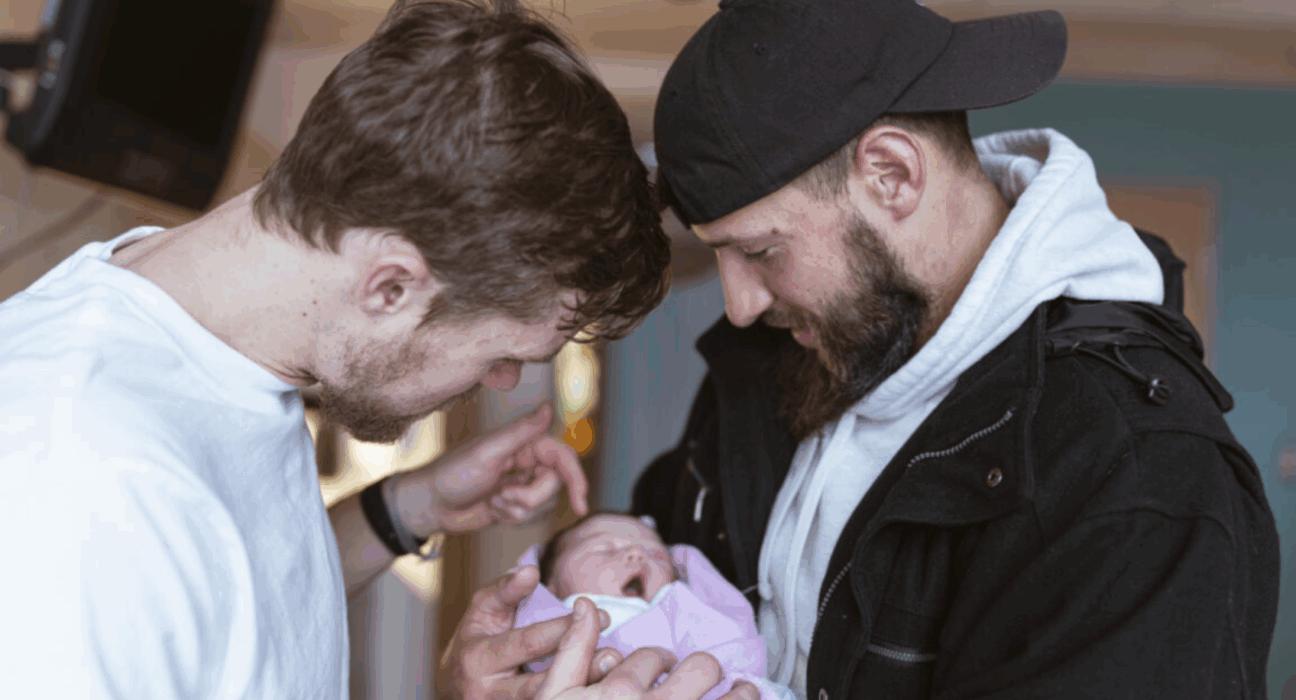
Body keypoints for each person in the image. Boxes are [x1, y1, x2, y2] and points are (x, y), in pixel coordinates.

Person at [0, 0, 720, 696]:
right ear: (390, 288)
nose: (502, 382)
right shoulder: (72, 473)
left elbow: (224, 613)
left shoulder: (219, 354)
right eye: (506, 354)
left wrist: (407, 508)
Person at [627, 0, 1280, 698]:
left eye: (760, 250)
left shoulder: (1134, 470)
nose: (739, 304)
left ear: (892, 175)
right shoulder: (789, 352)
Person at [512, 512, 794, 699]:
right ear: (551, 584)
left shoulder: (681, 603)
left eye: (655, 552)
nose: (636, 553)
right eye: (604, 549)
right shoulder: (556, 619)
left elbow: (735, 645)